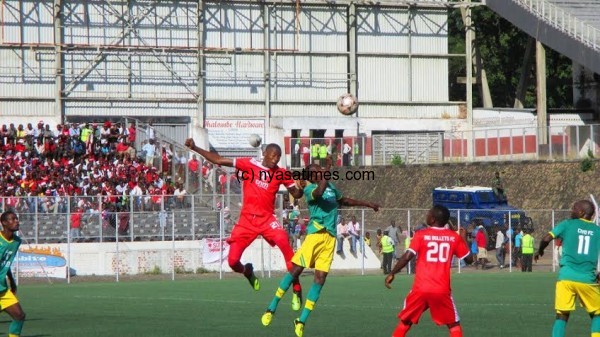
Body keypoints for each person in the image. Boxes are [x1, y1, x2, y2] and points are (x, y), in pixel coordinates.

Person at [260, 161, 379, 337]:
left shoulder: (330, 185)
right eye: (316, 171)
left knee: (320, 279)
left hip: (330, 238)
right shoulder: (310, 190)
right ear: (310, 176)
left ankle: (301, 321)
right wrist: (327, 171)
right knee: (296, 271)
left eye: (320, 170)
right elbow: (320, 191)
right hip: (315, 235)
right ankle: (271, 307)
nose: (320, 172)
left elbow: (343, 200)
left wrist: (368, 203)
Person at [185, 138, 304, 310]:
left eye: (278, 157)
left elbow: (296, 194)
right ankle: (247, 271)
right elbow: (218, 160)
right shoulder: (248, 164)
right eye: (272, 156)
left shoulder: (281, 173)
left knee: (284, 242)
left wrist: (299, 188)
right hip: (247, 220)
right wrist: (195, 147)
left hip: (267, 219)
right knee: (233, 261)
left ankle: (297, 289)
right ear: (264, 153)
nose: (275, 159)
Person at [384, 205, 472, 337]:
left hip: (420, 289)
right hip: (441, 290)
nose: (426, 215)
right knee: (453, 325)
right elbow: (469, 259)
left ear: (432, 219)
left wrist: (392, 273)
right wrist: (463, 237)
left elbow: (406, 257)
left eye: (428, 214)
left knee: (405, 322)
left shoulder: (421, 235)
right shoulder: (453, 237)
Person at [535, 200, 600, 337]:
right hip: (587, 279)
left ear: (582, 212)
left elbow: (547, 238)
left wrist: (540, 250)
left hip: (566, 278)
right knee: (597, 313)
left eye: (574, 208)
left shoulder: (567, 224)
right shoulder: (597, 231)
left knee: (562, 315)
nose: (571, 210)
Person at [0, 211, 26, 337]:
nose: (16, 221)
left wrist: (12, 281)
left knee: (19, 315)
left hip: (2, 289)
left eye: (17, 218)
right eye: (12, 219)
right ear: (4, 223)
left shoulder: (16, 241)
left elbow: (6, 263)